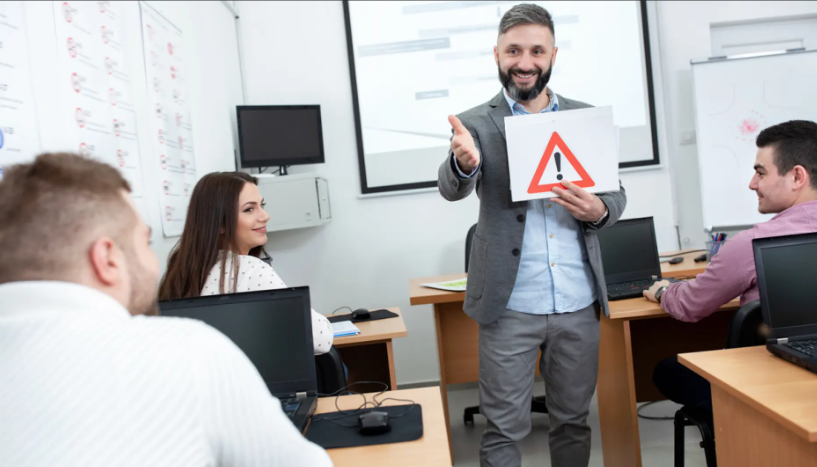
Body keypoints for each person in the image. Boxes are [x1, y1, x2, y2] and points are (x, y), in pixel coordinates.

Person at [0, 153, 332, 466]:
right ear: (106, 260)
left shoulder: (182, 273)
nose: (151, 259)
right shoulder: (188, 351)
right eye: (144, 242)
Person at [437, 4, 627, 467]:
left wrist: (600, 209)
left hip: (577, 300)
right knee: (502, 430)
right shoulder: (474, 122)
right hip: (510, 303)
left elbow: (615, 196)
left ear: (553, 54)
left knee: (574, 421)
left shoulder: (584, 117)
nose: (525, 62)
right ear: (497, 54)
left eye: (536, 51)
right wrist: (464, 163)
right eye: (514, 50)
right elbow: (450, 186)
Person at [645, 120, 817, 409]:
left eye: (760, 173)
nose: (752, 183)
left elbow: (690, 305)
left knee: (666, 370)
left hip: (767, 387)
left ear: (797, 177)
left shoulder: (754, 243)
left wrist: (664, 290)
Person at [158, 171, 333, 355]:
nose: (265, 216)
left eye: (262, 205)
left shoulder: (181, 269)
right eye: (249, 209)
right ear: (220, 223)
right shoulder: (251, 270)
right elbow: (321, 339)